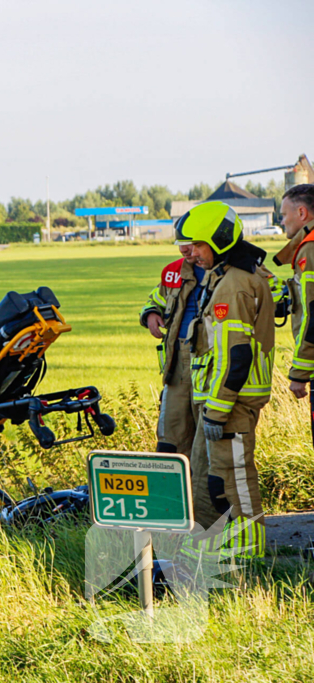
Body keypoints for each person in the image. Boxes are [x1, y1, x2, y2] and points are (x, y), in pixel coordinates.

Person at [177, 201, 274, 561]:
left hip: (231, 403)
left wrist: (217, 411)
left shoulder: (233, 285)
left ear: (218, 242)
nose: (194, 253)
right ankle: (211, 552)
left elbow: (236, 357)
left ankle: (251, 559)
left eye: (199, 245)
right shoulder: (225, 276)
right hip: (218, 403)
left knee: (234, 481)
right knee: (211, 481)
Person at [139, 245, 204, 455]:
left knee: (208, 443)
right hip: (178, 365)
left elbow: (274, 295)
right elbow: (156, 298)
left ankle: (201, 488)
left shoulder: (237, 270)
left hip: (213, 363)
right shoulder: (172, 271)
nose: (183, 248)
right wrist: (150, 313)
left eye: (191, 242)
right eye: (179, 241)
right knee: (170, 440)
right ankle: (176, 487)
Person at [274, 184, 314, 413]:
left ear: (301, 213)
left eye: (283, 214)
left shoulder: (310, 249)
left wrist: (299, 372)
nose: (281, 222)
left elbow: (312, 312)